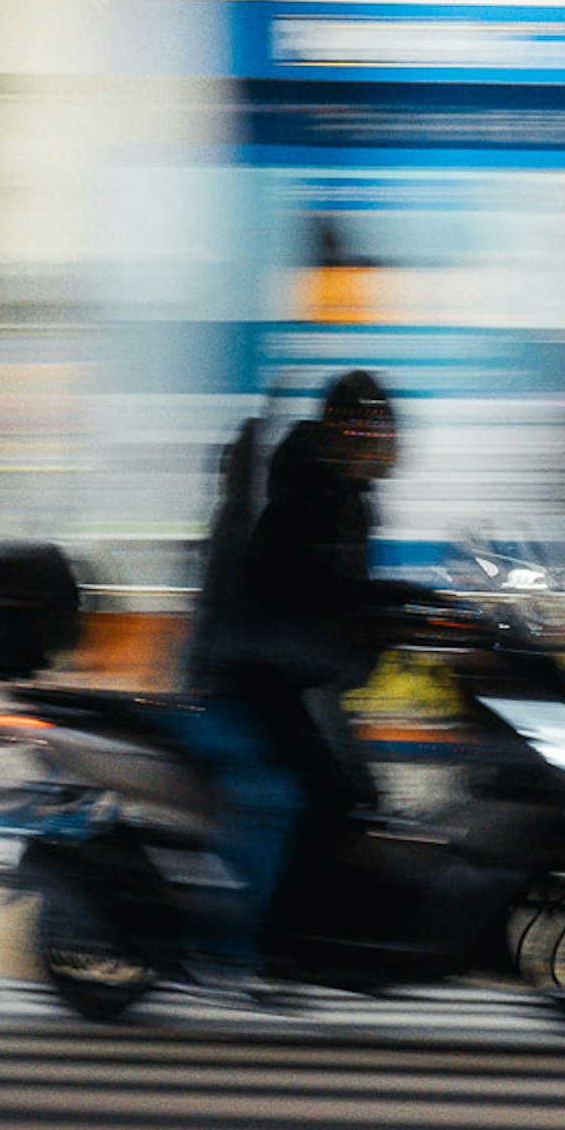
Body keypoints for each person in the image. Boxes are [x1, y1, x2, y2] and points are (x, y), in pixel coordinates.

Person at [181, 369, 423, 974]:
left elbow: (342, 590)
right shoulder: (303, 492)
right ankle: (235, 947)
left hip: (296, 674)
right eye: (371, 429)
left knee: (355, 795)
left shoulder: (343, 496)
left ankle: (325, 931)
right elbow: (301, 589)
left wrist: (408, 606)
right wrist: (383, 611)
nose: (381, 443)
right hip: (253, 677)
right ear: (345, 429)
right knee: (293, 798)